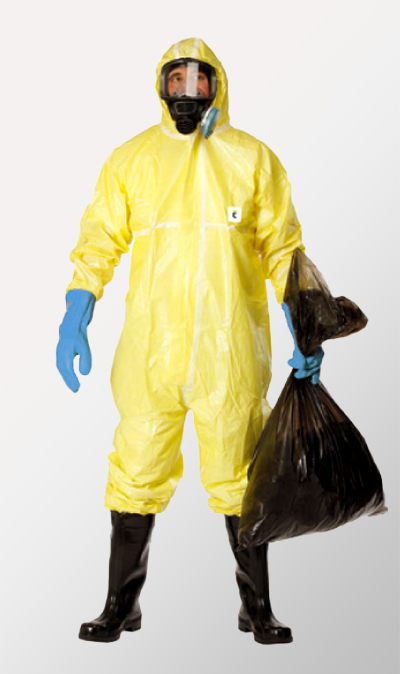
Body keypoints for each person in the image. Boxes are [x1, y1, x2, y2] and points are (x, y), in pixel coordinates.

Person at [57, 37, 322, 645]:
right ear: (160, 85)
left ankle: (257, 607)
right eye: (176, 79)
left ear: (217, 86)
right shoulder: (132, 160)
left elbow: (284, 249)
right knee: (135, 471)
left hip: (230, 355)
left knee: (239, 479)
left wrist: (305, 324)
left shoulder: (252, 159)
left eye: (198, 80)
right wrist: (77, 310)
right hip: (150, 353)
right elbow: (99, 238)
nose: (186, 91)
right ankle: (120, 605)